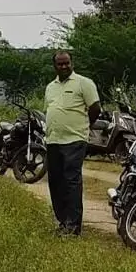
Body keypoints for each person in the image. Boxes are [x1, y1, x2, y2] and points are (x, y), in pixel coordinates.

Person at [43, 51, 101, 235]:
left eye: (67, 63)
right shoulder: (50, 87)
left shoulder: (84, 83)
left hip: (74, 140)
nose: (64, 67)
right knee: (56, 182)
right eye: (60, 64)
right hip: (53, 140)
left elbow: (95, 108)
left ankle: (73, 226)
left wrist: (84, 126)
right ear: (55, 66)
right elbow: (49, 110)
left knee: (71, 181)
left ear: (71, 63)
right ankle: (62, 222)